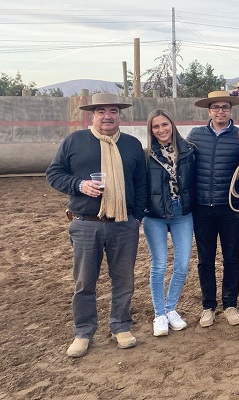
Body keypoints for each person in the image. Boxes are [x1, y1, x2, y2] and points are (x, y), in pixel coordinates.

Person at [46, 93, 147, 357]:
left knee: (124, 280)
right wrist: (80, 185)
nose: (107, 116)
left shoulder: (132, 145)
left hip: (123, 224)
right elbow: (54, 174)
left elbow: (142, 183)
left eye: (113, 110)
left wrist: (137, 217)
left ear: (119, 115)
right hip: (85, 224)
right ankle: (83, 332)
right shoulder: (75, 141)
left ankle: (121, 326)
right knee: (84, 282)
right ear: (92, 115)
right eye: (101, 111)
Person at [187, 90, 239, 328]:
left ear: (230, 110)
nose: (220, 111)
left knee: (231, 257)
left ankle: (230, 304)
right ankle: (208, 306)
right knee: (205, 259)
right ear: (209, 111)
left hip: (230, 207)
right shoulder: (195, 136)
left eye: (224, 107)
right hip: (201, 208)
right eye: (215, 107)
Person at [143, 109, 195, 336]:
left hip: (182, 213)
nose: (161, 130)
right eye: (156, 127)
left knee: (182, 265)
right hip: (154, 215)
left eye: (165, 125)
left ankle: (170, 307)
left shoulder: (189, 151)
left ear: (172, 126)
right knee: (159, 265)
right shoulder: (146, 156)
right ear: (151, 131)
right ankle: (159, 315)